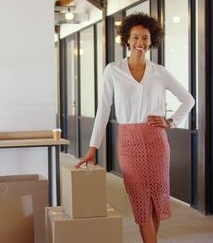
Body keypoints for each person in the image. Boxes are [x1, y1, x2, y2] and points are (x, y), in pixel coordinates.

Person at [75, 12, 195, 243]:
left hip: (156, 141)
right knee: (140, 200)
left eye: (145, 38)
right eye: (136, 38)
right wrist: (93, 147)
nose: (140, 43)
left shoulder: (160, 72)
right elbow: (103, 109)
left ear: (152, 41)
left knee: (156, 200)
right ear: (127, 40)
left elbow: (188, 99)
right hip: (128, 142)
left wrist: (170, 122)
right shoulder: (113, 70)